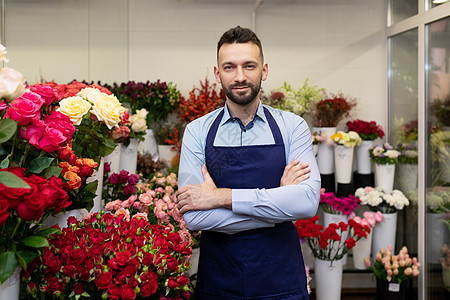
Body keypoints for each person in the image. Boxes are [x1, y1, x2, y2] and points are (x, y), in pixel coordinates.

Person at [175, 26, 321, 300]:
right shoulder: (198, 131)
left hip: (282, 281)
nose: (240, 76)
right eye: (229, 67)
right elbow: (196, 216)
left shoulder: (293, 127)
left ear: (264, 70)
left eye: (249, 66)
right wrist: (278, 210)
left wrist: (220, 197)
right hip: (220, 281)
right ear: (217, 74)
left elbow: (306, 202)